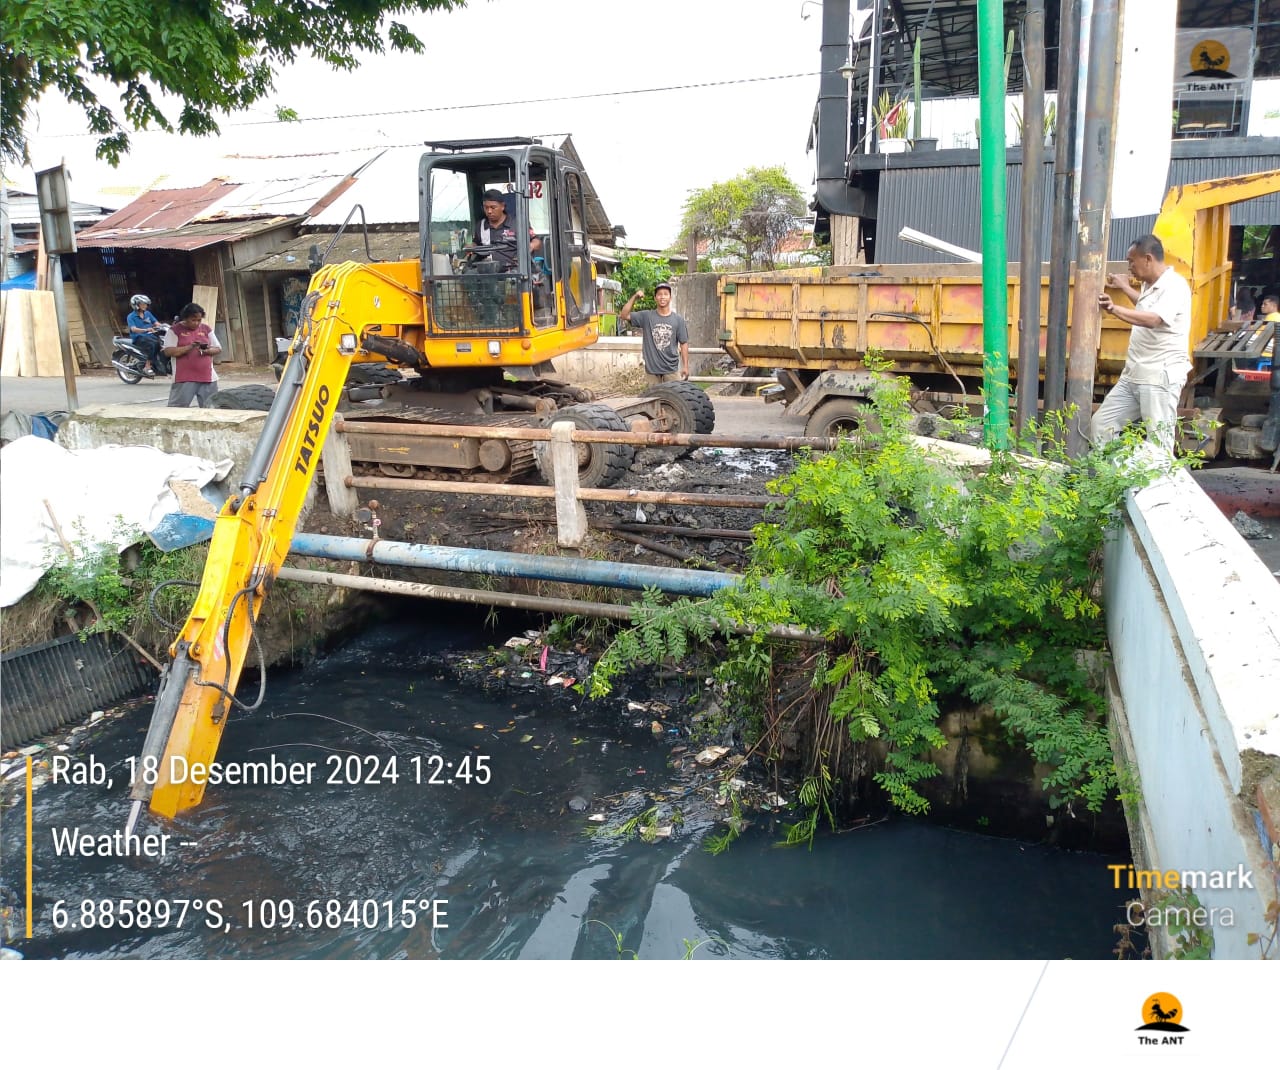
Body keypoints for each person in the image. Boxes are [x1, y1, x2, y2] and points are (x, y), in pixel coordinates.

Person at [1091, 234, 1192, 454]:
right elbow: (1145, 306)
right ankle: (1113, 481)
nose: (1129, 268)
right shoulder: (1151, 285)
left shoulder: (1174, 286)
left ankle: (1160, 487)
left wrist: (1114, 309)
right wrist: (1125, 287)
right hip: (1134, 374)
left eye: (1131, 262)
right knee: (1102, 424)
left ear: (1148, 259)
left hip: (1158, 376)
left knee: (1158, 441)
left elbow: (1154, 318)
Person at [618, 281, 689, 385]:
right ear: (655, 298)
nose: (662, 297)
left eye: (665, 294)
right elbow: (624, 315)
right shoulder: (646, 317)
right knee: (653, 399)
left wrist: (685, 366)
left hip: (671, 370)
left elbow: (684, 343)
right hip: (652, 371)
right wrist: (635, 297)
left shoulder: (678, 320)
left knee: (674, 399)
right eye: (659, 294)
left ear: (670, 297)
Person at [162, 302, 222, 408]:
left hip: (208, 377)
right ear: (185, 318)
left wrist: (207, 350)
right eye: (193, 320)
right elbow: (168, 351)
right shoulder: (175, 330)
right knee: (177, 410)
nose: (196, 323)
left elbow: (217, 348)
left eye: (199, 320)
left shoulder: (206, 329)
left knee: (211, 409)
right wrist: (190, 347)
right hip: (184, 377)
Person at [471, 188, 540, 271]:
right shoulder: (480, 226)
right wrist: (471, 247)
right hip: (488, 273)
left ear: (502, 206)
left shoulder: (518, 223)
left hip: (514, 271)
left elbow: (536, 241)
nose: (489, 211)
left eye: (493, 207)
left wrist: (530, 247)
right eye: (486, 207)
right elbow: (475, 243)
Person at [126, 294, 168, 375]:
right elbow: (133, 329)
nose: (145, 306)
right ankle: (147, 366)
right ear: (136, 305)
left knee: (163, 344)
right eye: (142, 304)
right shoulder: (131, 316)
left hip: (150, 336)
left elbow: (156, 323)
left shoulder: (147, 313)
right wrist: (145, 330)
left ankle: (160, 365)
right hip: (138, 338)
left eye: (146, 304)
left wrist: (165, 326)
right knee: (154, 344)